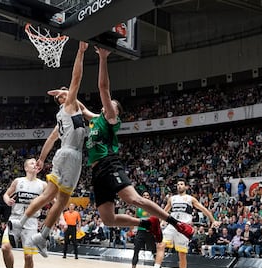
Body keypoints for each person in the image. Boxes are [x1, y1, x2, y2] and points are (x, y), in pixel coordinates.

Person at [83, 47, 195, 250]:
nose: (109, 105)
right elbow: (80, 108)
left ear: (115, 112)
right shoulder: (95, 119)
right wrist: (65, 94)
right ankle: (146, 223)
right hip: (96, 172)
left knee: (134, 199)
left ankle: (176, 223)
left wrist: (102, 58)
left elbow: (103, 88)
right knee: (108, 219)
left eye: (113, 105)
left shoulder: (109, 119)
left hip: (109, 164)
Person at [8, 41, 89, 257]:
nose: (68, 93)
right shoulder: (69, 105)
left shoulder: (64, 116)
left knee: (48, 196)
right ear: (62, 99)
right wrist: (80, 53)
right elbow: (76, 79)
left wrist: (42, 159)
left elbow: (50, 141)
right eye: (65, 94)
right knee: (62, 200)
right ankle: (42, 236)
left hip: (61, 154)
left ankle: (23, 225)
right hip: (72, 155)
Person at [142, 178, 219, 268]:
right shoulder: (172, 199)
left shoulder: (190, 199)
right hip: (172, 225)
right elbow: (164, 211)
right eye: (178, 184)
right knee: (161, 244)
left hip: (184, 228)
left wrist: (213, 220)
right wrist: (161, 221)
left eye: (182, 184)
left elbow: (203, 209)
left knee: (182, 255)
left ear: (186, 187)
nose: (179, 186)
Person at [1, 158, 47, 268]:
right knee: (4, 247)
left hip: (32, 221)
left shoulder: (43, 185)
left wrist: (62, 218)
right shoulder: (18, 181)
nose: (35, 165)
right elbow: (6, 194)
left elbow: (56, 201)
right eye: (32, 163)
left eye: (36, 163)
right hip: (15, 218)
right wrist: (7, 199)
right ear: (26, 168)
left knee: (28, 256)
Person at [125, 191, 163, 268]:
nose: (146, 196)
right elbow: (135, 219)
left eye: (147, 195)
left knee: (154, 252)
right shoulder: (138, 208)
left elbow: (157, 219)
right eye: (144, 195)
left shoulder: (152, 207)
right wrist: (131, 229)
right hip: (140, 232)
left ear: (149, 197)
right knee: (136, 251)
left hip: (150, 232)